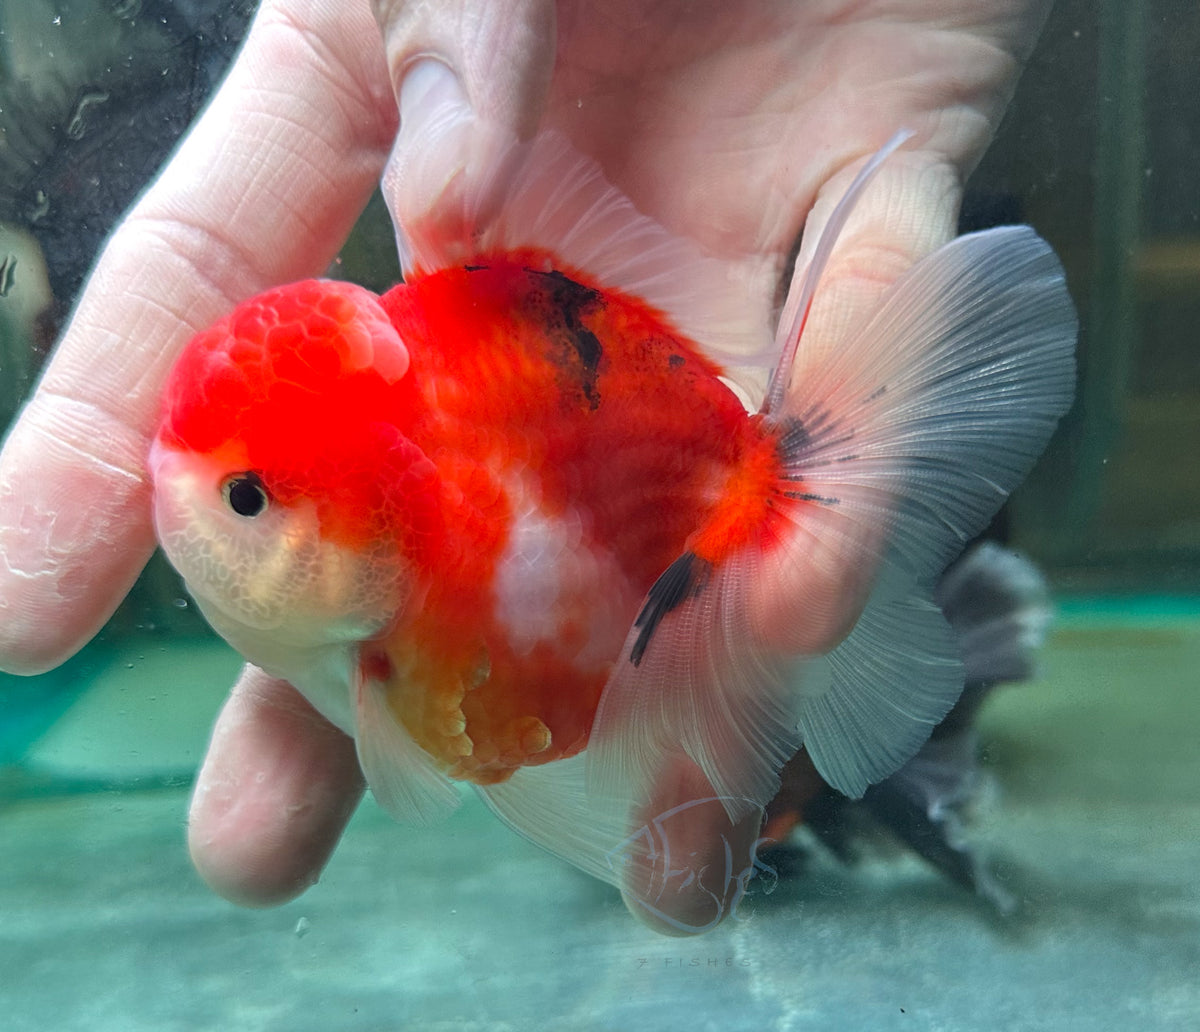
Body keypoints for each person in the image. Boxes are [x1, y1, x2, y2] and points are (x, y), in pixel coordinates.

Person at [0, 0, 1056, 932]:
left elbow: (465, 764)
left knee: (783, 622)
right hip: (622, 487)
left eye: (244, 499)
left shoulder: (396, 647)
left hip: (660, 487)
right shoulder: (375, 626)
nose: (183, 509)